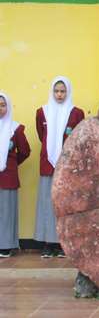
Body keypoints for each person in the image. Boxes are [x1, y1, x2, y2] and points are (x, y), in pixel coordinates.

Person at [35, 76, 85, 258]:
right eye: (56, 91)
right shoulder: (42, 112)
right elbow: (43, 136)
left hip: (68, 167)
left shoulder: (76, 113)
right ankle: (48, 244)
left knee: (65, 204)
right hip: (48, 165)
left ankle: (63, 243)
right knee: (47, 203)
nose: (59, 95)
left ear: (68, 92)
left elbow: (79, 137)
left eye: (63, 91)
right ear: (52, 92)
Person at [0, 92, 31, 258]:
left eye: (3, 105)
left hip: (8, 177)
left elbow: (25, 151)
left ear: (9, 107)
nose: (0, 109)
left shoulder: (16, 128)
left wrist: (10, 163)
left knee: (6, 212)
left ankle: (5, 246)